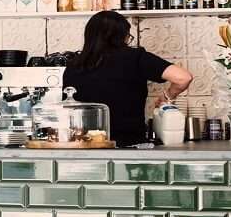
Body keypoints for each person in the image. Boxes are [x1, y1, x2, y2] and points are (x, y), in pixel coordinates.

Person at [63, 11, 193, 147]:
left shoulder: (73, 65)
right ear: (120, 36)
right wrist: (167, 96)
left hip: (83, 150)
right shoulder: (135, 57)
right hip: (128, 150)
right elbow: (183, 78)